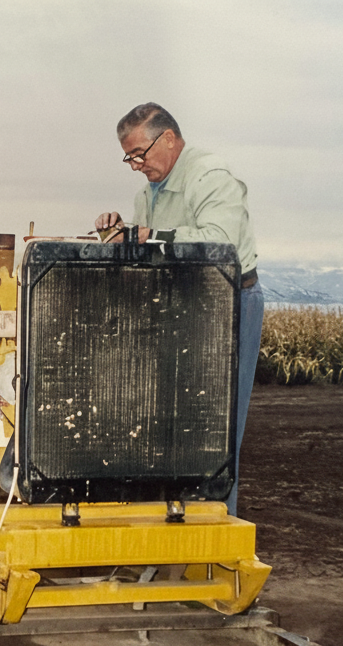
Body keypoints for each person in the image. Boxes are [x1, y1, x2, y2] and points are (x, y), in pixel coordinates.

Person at [94, 102, 263, 516]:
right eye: (129, 158)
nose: (136, 166)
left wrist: (149, 235)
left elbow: (219, 241)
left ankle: (215, 534)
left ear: (168, 138)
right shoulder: (146, 194)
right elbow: (152, 250)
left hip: (226, 306)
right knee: (168, 427)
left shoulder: (209, 176)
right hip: (178, 306)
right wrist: (121, 237)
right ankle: (170, 526)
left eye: (140, 154)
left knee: (216, 430)